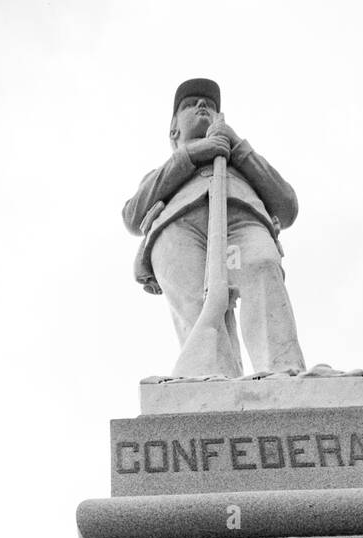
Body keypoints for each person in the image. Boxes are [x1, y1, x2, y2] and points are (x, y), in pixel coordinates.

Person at [123, 78, 306, 377]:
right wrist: (193, 155)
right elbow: (132, 215)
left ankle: (283, 370)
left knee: (261, 264)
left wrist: (236, 145)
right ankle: (211, 375)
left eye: (207, 104)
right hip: (179, 229)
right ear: (174, 129)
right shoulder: (161, 173)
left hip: (241, 222)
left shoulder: (241, 161)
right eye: (189, 104)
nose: (201, 106)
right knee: (196, 304)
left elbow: (287, 207)